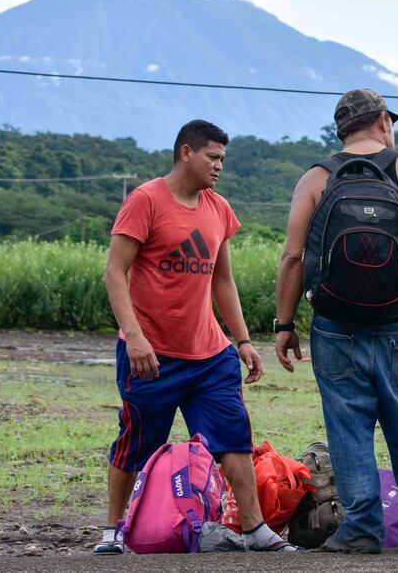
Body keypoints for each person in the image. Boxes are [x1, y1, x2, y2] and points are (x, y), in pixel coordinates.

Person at [96, 119, 300, 555]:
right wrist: (134, 338)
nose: (219, 166)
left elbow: (222, 281)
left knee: (233, 438)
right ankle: (114, 531)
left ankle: (254, 530)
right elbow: (115, 272)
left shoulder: (217, 208)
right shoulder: (145, 200)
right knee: (136, 443)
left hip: (210, 355)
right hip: (150, 355)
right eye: (213, 157)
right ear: (186, 152)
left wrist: (243, 341)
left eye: (223, 159)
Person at [273, 88, 398, 553]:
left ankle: (361, 530)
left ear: (341, 129)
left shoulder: (316, 179)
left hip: (335, 326)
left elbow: (293, 258)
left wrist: (284, 323)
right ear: (382, 121)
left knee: (348, 426)